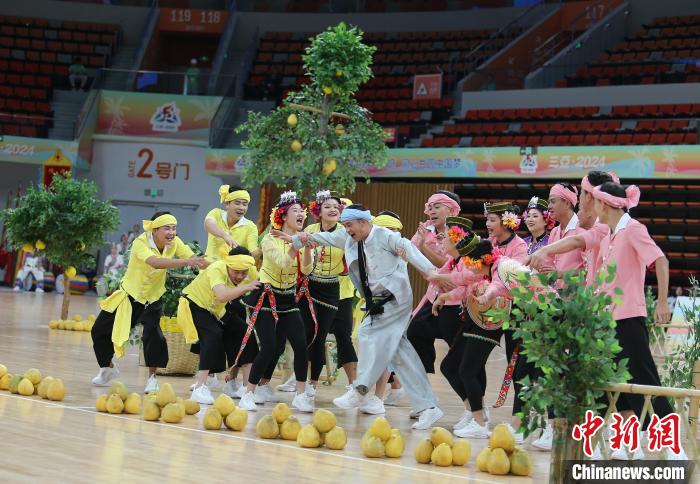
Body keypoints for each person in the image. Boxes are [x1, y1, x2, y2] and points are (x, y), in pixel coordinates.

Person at [278, 204, 445, 430]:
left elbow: (407, 247)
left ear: (364, 223)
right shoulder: (348, 238)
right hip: (376, 301)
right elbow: (320, 238)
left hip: (395, 299)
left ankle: (360, 389)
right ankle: (429, 408)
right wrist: (297, 239)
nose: (347, 229)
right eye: (345, 226)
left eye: (350, 225)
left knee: (366, 333)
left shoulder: (385, 236)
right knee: (399, 354)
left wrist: (431, 272)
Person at [91, 212, 207, 392]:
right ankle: (107, 369)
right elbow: (155, 262)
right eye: (167, 228)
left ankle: (152, 378)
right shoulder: (140, 242)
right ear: (154, 230)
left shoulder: (174, 243)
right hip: (128, 297)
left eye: (174, 228)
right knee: (99, 331)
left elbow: (194, 258)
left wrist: (220, 264)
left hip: (152, 300)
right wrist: (186, 261)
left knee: (153, 336)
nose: (172, 232)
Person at [237, 191, 314, 413]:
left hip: (288, 297)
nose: (301, 214)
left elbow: (307, 270)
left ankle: (300, 395)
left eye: (302, 211)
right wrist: (297, 245)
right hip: (266, 296)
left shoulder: (300, 239)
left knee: (301, 344)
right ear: (283, 216)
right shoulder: (270, 239)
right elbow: (281, 263)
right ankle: (249, 392)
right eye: (295, 211)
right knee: (270, 346)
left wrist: (307, 248)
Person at [178, 248, 260, 404]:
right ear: (228, 265)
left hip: (216, 310)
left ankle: (246, 387)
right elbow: (222, 295)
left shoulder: (251, 272)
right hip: (195, 304)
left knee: (245, 332)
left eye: (244, 273)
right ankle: (200, 387)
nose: (240, 276)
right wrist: (246, 287)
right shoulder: (217, 268)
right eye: (236, 272)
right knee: (213, 335)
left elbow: (264, 282)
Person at [204, 185, 260, 263]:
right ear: (227, 204)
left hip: (233, 272)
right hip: (209, 269)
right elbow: (208, 224)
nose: (241, 208)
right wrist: (225, 236)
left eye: (245, 204)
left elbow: (252, 253)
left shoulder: (251, 227)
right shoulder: (216, 213)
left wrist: (261, 249)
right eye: (237, 203)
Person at [411, 190, 462, 268]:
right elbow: (410, 251)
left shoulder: (460, 234)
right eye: (430, 208)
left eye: (437, 207)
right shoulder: (426, 227)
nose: (432, 212)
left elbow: (448, 266)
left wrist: (423, 246)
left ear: (451, 211)